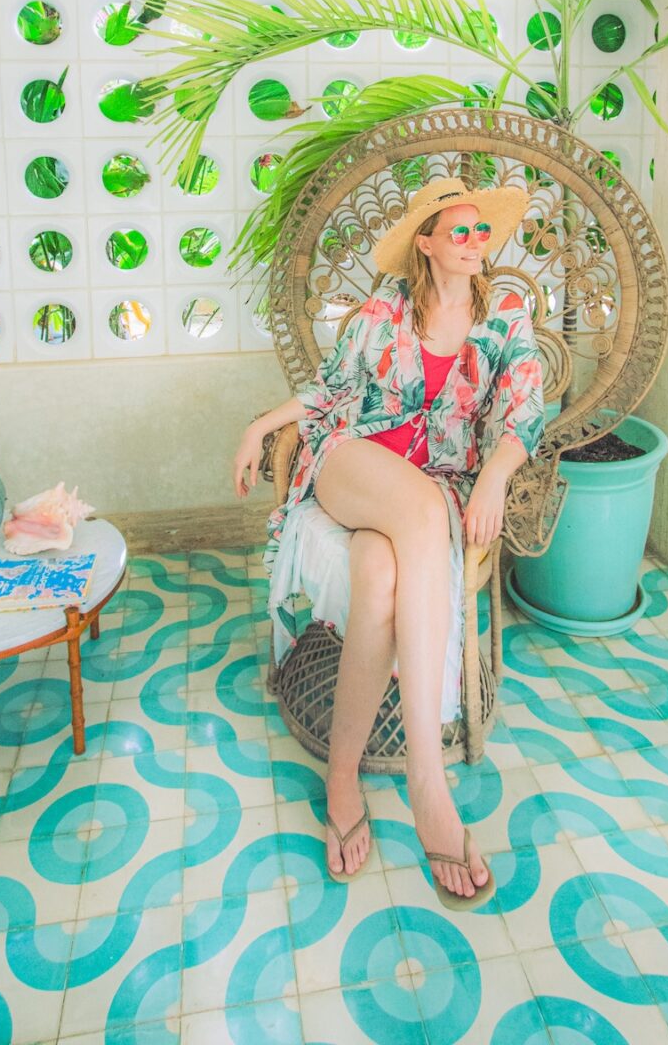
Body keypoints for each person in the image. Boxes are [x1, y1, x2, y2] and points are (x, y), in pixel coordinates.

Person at [233, 177, 546, 911]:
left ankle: (340, 778)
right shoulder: (385, 309)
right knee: (416, 516)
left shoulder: (505, 312)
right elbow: (331, 389)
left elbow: (523, 410)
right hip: (352, 461)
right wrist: (258, 425)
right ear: (426, 243)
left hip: (433, 479)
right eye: (458, 233)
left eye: (480, 233)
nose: (474, 245)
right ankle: (426, 785)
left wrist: (496, 475)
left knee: (378, 580)